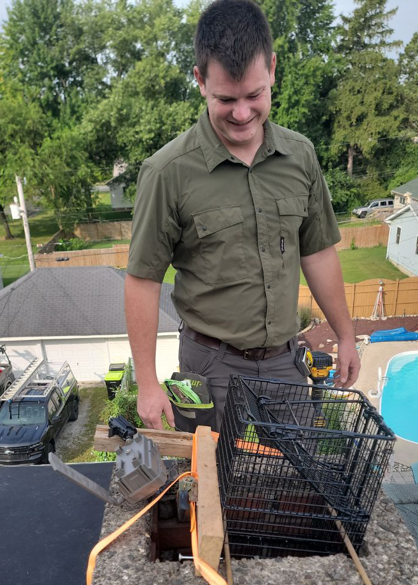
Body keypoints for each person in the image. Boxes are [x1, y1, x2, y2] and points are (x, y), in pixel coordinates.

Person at [125, 0, 360, 432]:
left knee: (304, 474)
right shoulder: (166, 172)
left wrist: (345, 334)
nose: (241, 113)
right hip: (207, 365)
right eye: (225, 98)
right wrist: (146, 381)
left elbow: (318, 254)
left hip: (285, 360)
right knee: (208, 480)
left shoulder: (301, 156)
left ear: (272, 69)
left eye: (254, 95)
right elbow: (142, 279)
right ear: (199, 80)